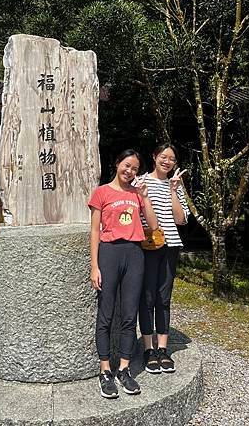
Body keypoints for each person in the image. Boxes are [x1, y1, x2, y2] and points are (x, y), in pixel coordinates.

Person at [89, 149, 159, 399]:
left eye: (134, 169)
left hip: (134, 253)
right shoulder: (102, 192)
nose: (129, 171)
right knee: (106, 314)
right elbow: (95, 231)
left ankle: (124, 369)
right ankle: (105, 370)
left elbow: (153, 225)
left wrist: (144, 196)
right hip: (109, 252)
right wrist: (94, 266)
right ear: (117, 163)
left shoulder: (136, 193)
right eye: (126, 165)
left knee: (129, 315)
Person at [139, 143, 189, 375]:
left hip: (171, 246)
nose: (166, 161)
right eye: (163, 156)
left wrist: (173, 190)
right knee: (147, 297)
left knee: (164, 297)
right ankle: (148, 349)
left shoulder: (176, 185)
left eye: (171, 158)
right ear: (154, 156)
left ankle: (162, 349)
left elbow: (181, 220)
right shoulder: (140, 182)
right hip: (148, 246)